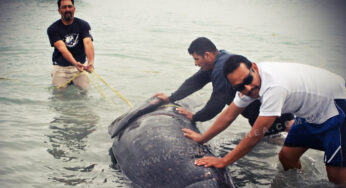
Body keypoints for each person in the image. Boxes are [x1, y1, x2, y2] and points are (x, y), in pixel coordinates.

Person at [182, 55, 346, 185]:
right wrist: (202, 138)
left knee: (336, 178)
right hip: (309, 113)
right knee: (286, 156)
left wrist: (224, 161)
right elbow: (229, 114)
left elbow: (257, 133)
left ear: (254, 67)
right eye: (239, 87)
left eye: (247, 81)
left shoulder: (273, 86)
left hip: (335, 107)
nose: (247, 88)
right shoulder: (250, 85)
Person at [155, 37, 293, 136]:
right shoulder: (219, 59)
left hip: (271, 113)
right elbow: (194, 82)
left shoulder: (221, 68)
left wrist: (195, 117)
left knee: (288, 128)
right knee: (273, 137)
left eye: (196, 59)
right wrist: (170, 98)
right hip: (261, 115)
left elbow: (217, 102)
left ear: (207, 55)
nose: (196, 64)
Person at [47, 0, 94, 90]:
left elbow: (88, 43)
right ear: (59, 10)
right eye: (64, 7)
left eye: (69, 6)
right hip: (61, 68)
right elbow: (63, 49)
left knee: (85, 93)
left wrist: (90, 63)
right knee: (58, 97)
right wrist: (75, 63)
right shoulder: (53, 29)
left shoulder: (83, 25)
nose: (67, 9)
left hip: (81, 67)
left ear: (74, 9)